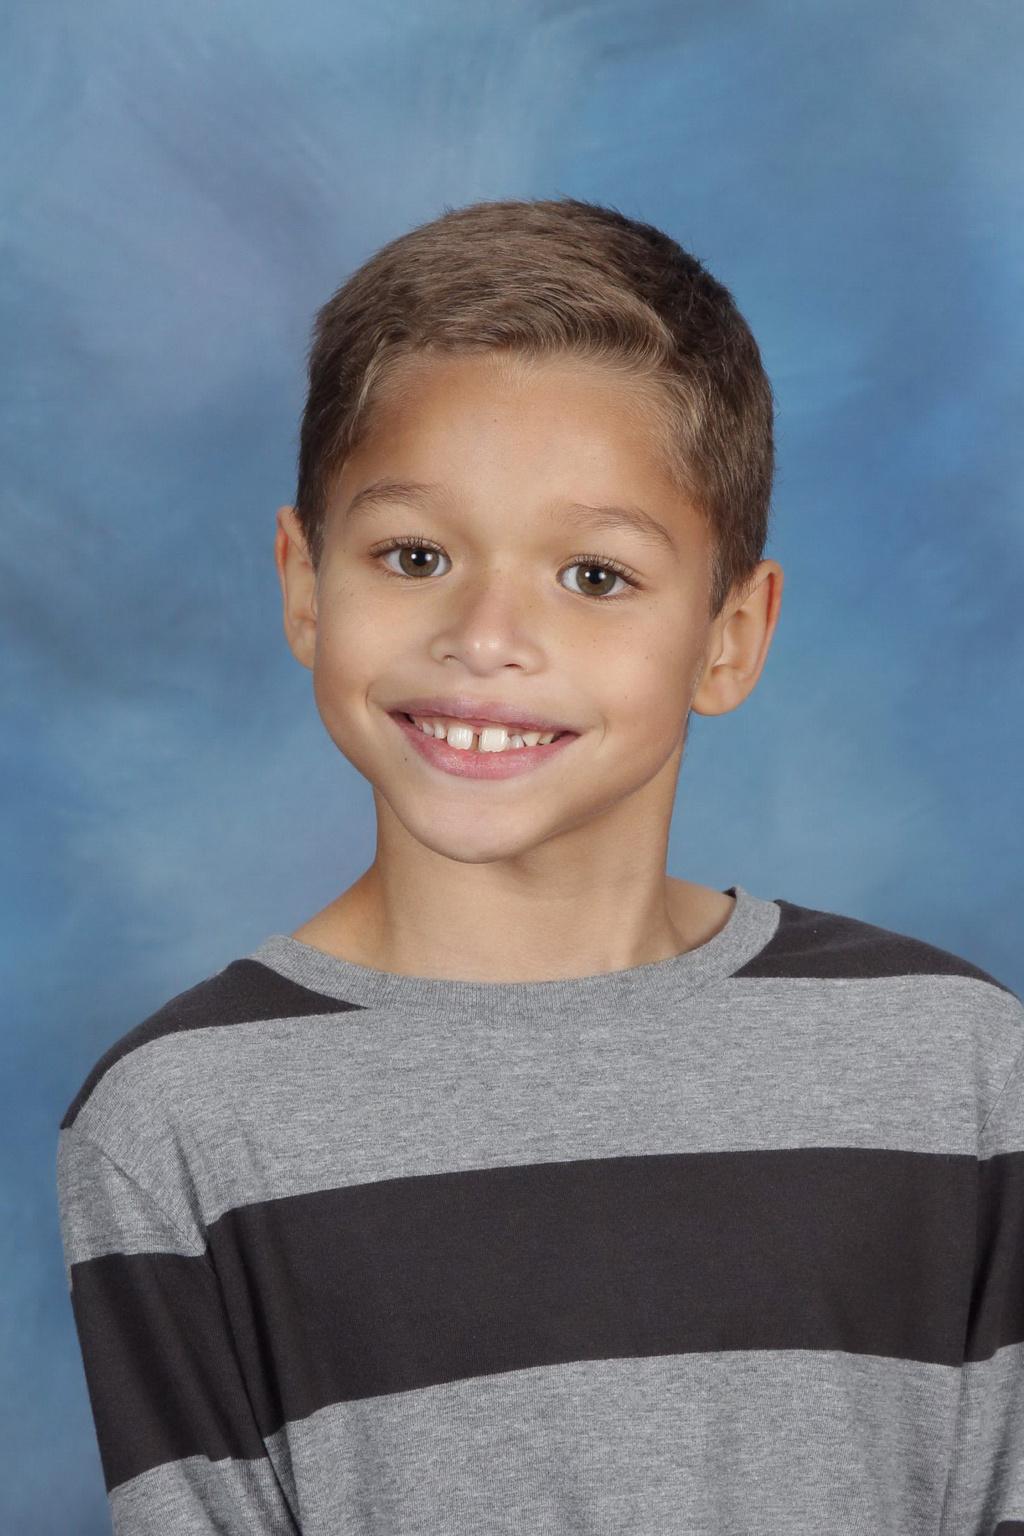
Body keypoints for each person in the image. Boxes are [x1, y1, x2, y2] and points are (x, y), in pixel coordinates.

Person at [56, 196, 1023, 1535]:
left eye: (595, 576)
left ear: (731, 635)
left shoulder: (954, 1067)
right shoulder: (180, 1119)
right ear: (304, 585)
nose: (487, 635)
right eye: (415, 556)